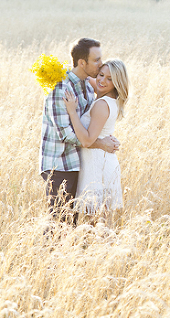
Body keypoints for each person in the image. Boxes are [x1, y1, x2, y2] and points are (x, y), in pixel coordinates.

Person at [39, 38, 120, 224]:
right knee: (59, 224)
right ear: (82, 63)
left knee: (71, 224)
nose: (101, 64)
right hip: (60, 165)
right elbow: (66, 134)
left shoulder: (87, 85)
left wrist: (104, 136)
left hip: (79, 164)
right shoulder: (60, 88)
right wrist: (100, 143)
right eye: (96, 60)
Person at [64, 59, 129, 224]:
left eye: (109, 79)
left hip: (97, 165)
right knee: (98, 222)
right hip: (102, 161)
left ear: (117, 83)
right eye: (101, 75)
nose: (102, 81)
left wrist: (72, 111)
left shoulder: (101, 104)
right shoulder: (109, 98)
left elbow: (86, 140)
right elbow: (87, 77)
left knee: (96, 222)